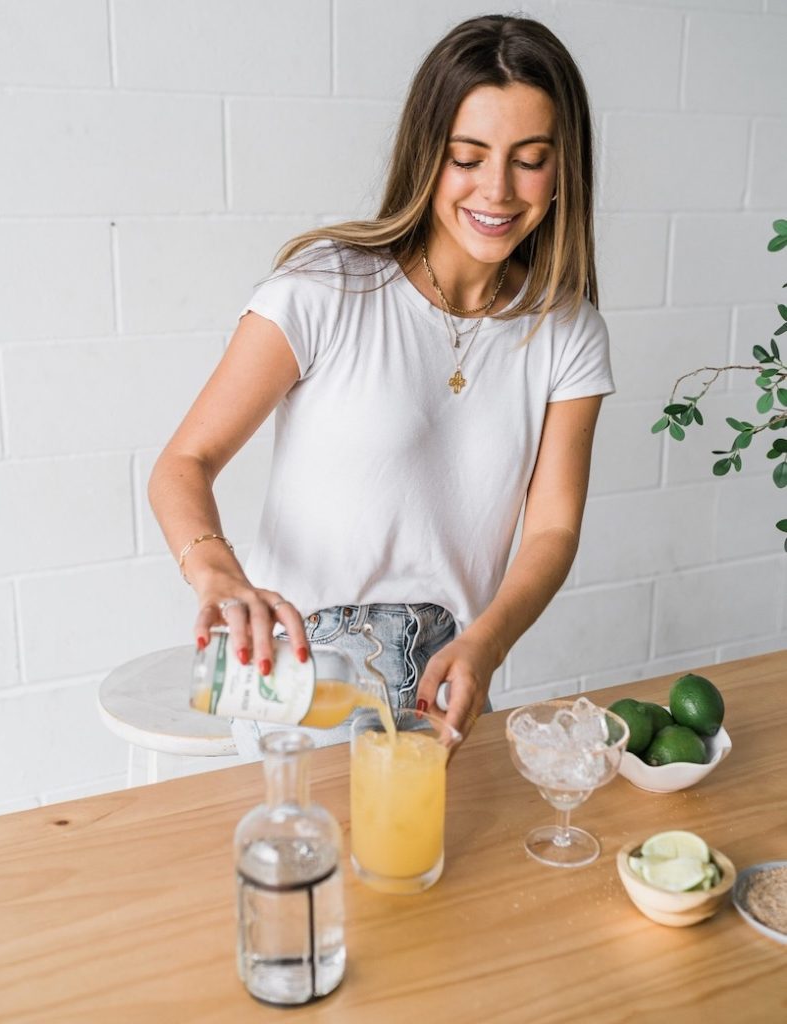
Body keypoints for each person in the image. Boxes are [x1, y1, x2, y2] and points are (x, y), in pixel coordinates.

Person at [149, 14, 613, 753]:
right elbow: (184, 462)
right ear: (429, 155)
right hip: (295, 691)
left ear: (564, 171)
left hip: (444, 697)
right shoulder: (324, 289)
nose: (496, 190)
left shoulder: (567, 330)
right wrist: (215, 573)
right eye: (468, 157)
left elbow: (552, 530)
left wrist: (487, 645)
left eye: (530, 159)